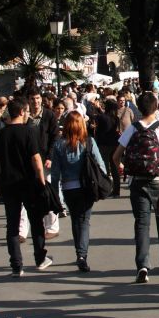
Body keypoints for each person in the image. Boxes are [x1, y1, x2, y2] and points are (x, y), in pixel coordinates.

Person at [114, 92, 159, 283]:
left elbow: (116, 155)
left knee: (141, 224)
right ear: (156, 106)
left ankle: (142, 265)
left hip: (137, 181)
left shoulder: (132, 129)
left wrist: (123, 168)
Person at [0, 98, 52, 276]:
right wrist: (42, 180)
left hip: (9, 183)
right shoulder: (29, 131)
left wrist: (0, 178)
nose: (28, 113)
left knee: (12, 225)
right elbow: (36, 159)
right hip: (28, 182)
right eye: (26, 111)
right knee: (36, 221)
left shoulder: (2, 134)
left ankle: (16, 265)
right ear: (21, 112)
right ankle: (40, 258)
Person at [50, 112, 107, 273]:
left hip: (68, 188)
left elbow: (55, 173)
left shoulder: (59, 144)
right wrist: (102, 181)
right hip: (86, 186)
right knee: (84, 220)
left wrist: (55, 193)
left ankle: (79, 252)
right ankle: (82, 255)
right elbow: (100, 164)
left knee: (76, 219)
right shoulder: (88, 142)